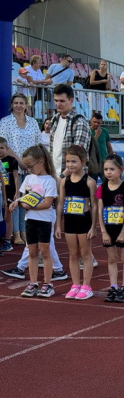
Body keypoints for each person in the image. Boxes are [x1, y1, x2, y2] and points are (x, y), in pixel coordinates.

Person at [8, 145, 58, 297]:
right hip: (30, 220)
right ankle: (33, 283)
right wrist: (17, 203)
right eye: (26, 167)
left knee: (45, 252)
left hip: (44, 221)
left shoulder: (49, 181)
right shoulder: (29, 179)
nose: (28, 169)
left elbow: (47, 204)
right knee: (32, 252)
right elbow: (22, 198)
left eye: (30, 166)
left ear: (41, 162)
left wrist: (28, 206)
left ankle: (48, 284)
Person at [55, 145, 97, 300]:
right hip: (70, 221)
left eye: (74, 161)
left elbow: (94, 205)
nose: (70, 165)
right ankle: (75, 284)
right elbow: (60, 203)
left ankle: (87, 285)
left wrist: (94, 226)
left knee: (85, 254)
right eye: (67, 162)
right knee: (73, 254)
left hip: (84, 221)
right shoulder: (64, 181)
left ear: (83, 161)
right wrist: (58, 224)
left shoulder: (89, 181)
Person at [0, 93, 43, 245]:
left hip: (31, 168)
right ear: (12, 105)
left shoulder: (32, 122)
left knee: (28, 200)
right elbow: (5, 146)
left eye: (21, 103)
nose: (18, 105)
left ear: (26, 105)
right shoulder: (5, 122)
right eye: (16, 103)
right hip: (13, 167)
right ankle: (16, 233)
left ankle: (24, 231)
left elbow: (38, 143)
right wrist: (20, 162)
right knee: (15, 198)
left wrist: (33, 164)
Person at [97, 154, 124, 303]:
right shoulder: (102, 188)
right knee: (111, 258)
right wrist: (103, 232)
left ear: (120, 170)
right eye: (106, 169)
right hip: (108, 229)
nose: (108, 172)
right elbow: (100, 210)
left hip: (122, 229)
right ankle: (113, 286)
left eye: (112, 169)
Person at [49, 84, 92, 177]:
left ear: (71, 100)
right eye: (56, 100)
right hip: (55, 175)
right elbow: (52, 151)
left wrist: (62, 176)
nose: (58, 104)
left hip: (73, 179)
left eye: (62, 101)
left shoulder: (79, 122)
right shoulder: (54, 120)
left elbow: (79, 156)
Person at [0, 137, 19, 252]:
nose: (0, 150)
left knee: (8, 216)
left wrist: (17, 192)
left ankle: (8, 240)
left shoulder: (12, 160)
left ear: (7, 148)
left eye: (2, 148)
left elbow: (16, 177)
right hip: (0, 191)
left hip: (10, 191)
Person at [45, 54, 75, 118]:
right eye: (69, 61)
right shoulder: (53, 66)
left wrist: (61, 85)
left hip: (61, 92)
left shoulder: (71, 72)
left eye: (71, 62)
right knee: (50, 109)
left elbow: (69, 83)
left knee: (59, 110)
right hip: (50, 89)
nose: (70, 63)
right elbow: (47, 78)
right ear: (63, 59)